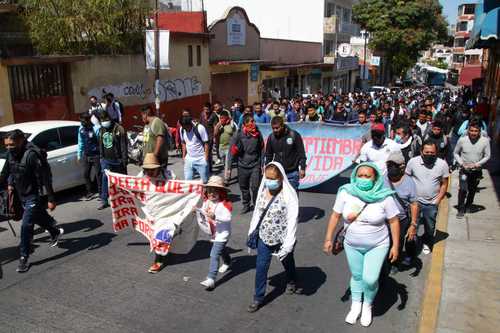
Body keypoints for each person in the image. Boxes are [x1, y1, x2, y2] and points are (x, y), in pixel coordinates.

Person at [323, 162, 400, 327]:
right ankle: (356, 305)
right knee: (357, 276)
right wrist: (328, 239)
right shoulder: (345, 192)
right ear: (355, 176)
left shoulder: (385, 196)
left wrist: (395, 246)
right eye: (360, 175)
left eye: (368, 176)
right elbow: (335, 216)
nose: (363, 179)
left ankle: (368, 305)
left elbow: (394, 222)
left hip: (378, 245)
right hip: (352, 244)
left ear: (375, 178)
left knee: (370, 279)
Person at [0, 129, 64, 273]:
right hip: (20, 194)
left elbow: (45, 177)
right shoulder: (10, 154)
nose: (9, 148)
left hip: (33, 195)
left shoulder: (31, 155)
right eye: (6, 146)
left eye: (11, 145)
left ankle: (24, 257)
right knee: (36, 216)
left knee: (26, 225)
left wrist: (51, 198)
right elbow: (4, 174)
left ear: (21, 141)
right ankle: (54, 231)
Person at [247, 162, 300, 313]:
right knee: (261, 267)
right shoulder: (263, 191)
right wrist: (251, 232)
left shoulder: (288, 194)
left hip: (282, 238)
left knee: (287, 261)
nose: (270, 181)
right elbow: (257, 213)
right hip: (264, 237)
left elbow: (292, 218)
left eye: (273, 178)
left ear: (281, 178)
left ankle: (291, 280)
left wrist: (289, 242)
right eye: (267, 178)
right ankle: (258, 298)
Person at [406, 141, 449, 255]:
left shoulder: (442, 164)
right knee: (412, 226)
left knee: (430, 227)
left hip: (431, 203)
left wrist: (438, 199)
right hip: (415, 202)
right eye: (427, 152)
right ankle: (410, 253)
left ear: (436, 153)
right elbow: (406, 179)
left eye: (432, 153)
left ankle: (427, 243)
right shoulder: (412, 162)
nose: (429, 154)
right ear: (421, 152)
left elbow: (444, 183)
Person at [140, 153, 176, 273]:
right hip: (151, 212)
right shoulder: (141, 176)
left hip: (167, 211)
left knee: (161, 234)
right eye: (147, 170)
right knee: (156, 236)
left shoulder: (169, 176)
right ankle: (162, 255)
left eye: (152, 169)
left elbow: (180, 191)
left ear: (158, 168)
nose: (149, 172)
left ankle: (158, 260)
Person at [384, 151, 419, 270]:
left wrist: (413, 225)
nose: (391, 168)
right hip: (384, 219)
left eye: (394, 165)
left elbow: (414, 204)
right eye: (389, 165)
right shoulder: (381, 179)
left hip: (401, 219)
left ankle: (394, 262)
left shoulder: (409, 182)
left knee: (397, 241)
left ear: (402, 166)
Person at [199, 176, 232, 290]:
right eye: (209, 191)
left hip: (222, 234)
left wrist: (216, 216)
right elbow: (203, 211)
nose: (211, 194)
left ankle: (211, 279)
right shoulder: (207, 202)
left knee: (214, 254)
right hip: (213, 233)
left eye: (215, 191)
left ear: (221, 192)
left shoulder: (224, 204)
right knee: (221, 250)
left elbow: (228, 218)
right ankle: (228, 261)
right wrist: (197, 210)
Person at [227, 114, 264, 213]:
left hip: (255, 165)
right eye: (251, 121)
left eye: (253, 121)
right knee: (244, 187)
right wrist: (229, 168)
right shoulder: (238, 134)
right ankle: (246, 205)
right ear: (244, 124)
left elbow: (262, 148)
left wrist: (262, 163)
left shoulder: (258, 133)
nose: (253, 123)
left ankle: (256, 205)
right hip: (242, 166)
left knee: (255, 187)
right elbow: (231, 152)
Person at [454, 121, 491, 218]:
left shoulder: (485, 141)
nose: (473, 133)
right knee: (462, 189)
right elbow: (456, 153)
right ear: (468, 130)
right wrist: (462, 163)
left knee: (472, 189)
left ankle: (468, 205)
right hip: (464, 170)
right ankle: (461, 209)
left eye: (476, 131)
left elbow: (487, 156)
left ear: (479, 131)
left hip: (476, 171)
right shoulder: (462, 140)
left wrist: (477, 164)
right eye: (471, 130)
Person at [265, 116, 307, 190]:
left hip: (292, 173)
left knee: (292, 197)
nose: (275, 130)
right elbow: (269, 155)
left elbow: (301, 153)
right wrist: (266, 168)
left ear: (282, 125)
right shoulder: (271, 137)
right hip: (277, 172)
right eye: (273, 128)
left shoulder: (294, 135)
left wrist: (302, 168)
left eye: (277, 128)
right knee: (279, 198)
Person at [98, 111, 128, 210]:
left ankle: (125, 198)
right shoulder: (102, 129)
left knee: (121, 179)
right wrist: (101, 158)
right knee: (105, 178)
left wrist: (124, 160)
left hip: (118, 159)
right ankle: (104, 200)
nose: (104, 122)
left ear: (109, 118)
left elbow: (123, 146)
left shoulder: (119, 129)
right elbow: (101, 144)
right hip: (106, 160)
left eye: (106, 119)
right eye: (102, 120)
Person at [77, 113, 101, 200]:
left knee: (98, 174)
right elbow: (80, 143)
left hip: (96, 155)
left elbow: (100, 142)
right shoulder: (81, 129)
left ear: (88, 120)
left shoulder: (96, 128)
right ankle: (89, 192)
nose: (81, 123)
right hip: (86, 155)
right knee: (86, 174)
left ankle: (101, 192)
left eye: (83, 121)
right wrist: (79, 154)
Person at [180, 113, 210, 183]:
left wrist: (205, 158)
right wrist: (184, 156)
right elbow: (183, 142)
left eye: (187, 127)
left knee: (205, 182)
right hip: (189, 159)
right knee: (188, 182)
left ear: (190, 123)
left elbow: (206, 143)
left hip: (201, 159)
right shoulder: (182, 129)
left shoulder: (199, 128)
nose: (186, 129)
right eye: (184, 127)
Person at [213, 110, 237, 174]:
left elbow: (236, 134)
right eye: (220, 118)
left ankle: (227, 178)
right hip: (221, 147)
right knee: (224, 164)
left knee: (227, 164)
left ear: (227, 118)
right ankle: (227, 173)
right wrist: (218, 126)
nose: (221, 119)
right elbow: (215, 134)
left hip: (229, 147)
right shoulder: (219, 125)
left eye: (223, 118)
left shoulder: (232, 124)